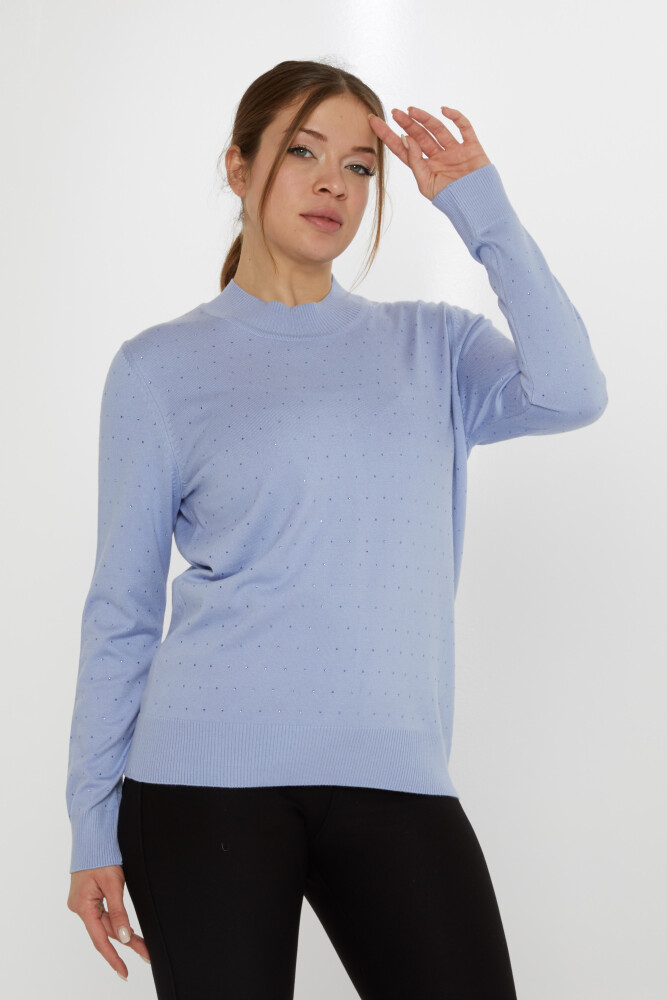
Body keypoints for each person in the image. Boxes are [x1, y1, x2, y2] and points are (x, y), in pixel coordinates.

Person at [65, 58, 608, 998]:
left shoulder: (434, 346)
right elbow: (121, 609)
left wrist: (479, 208)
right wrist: (89, 824)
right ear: (239, 167)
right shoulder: (157, 368)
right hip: (201, 781)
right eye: (303, 153)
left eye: (360, 166)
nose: (334, 184)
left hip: (393, 771)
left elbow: (571, 393)